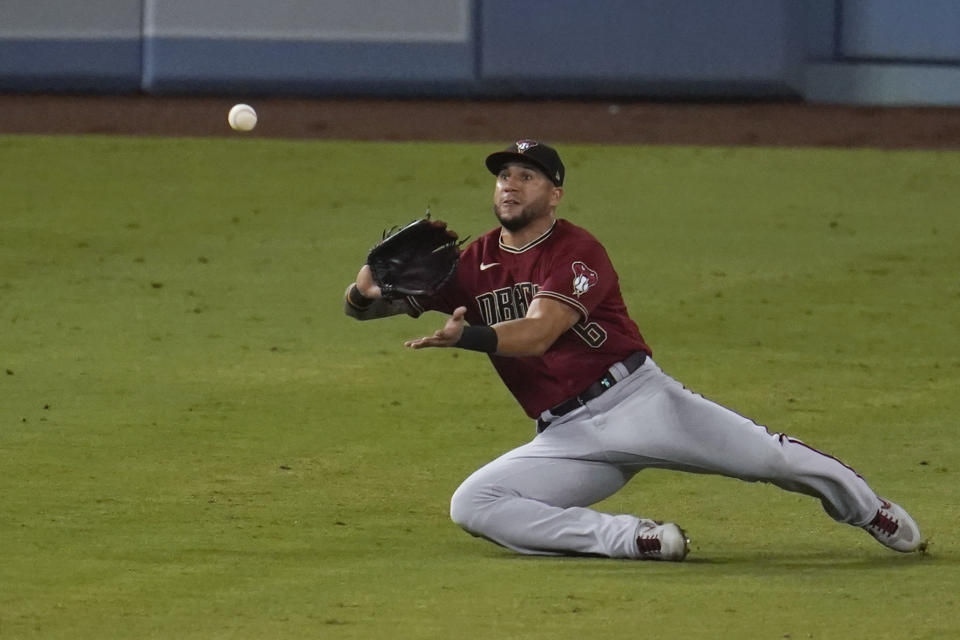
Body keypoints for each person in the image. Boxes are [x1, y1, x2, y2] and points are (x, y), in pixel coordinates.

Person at [343, 139, 924, 561]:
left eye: (527, 175)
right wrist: (365, 283)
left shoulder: (575, 248)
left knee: (769, 460)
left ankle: (869, 508)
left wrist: (466, 335)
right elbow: (370, 306)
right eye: (504, 175)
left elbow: (541, 332)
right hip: (565, 437)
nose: (510, 184)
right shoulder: (473, 263)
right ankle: (638, 540)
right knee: (475, 503)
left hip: (639, 402)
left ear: (555, 193)